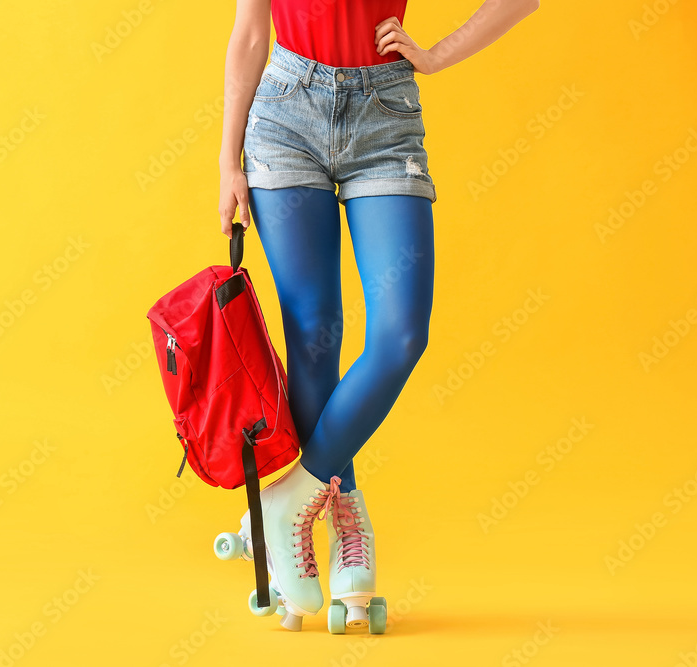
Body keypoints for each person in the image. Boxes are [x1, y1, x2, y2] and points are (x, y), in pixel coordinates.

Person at [217, 0, 540, 633]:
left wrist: (438, 54)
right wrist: (228, 158)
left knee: (400, 334)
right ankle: (338, 520)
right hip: (286, 110)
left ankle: (290, 501)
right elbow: (252, 30)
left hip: (384, 114)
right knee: (314, 334)